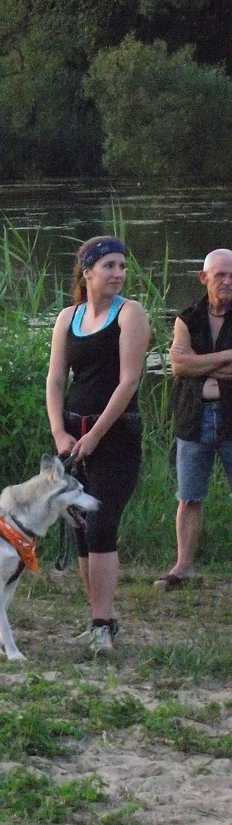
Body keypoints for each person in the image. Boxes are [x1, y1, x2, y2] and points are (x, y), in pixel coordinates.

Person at [46, 236, 152, 654]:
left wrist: (95, 436)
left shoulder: (132, 314)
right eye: (109, 266)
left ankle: (103, 625)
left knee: (103, 524)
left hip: (116, 436)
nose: (118, 274)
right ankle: (97, 620)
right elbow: (55, 380)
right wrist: (61, 433)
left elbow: (129, 382)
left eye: (122, 266)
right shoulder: (66, 317)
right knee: (82, 532)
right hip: (74, 436)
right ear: (86, 272)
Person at [154, 248, 232, 589]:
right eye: (221, 275)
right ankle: (183, 566)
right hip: (194, 417)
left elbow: (190, 364)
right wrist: (226, 358)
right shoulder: (187, 318)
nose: (228, 281)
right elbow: (180, 366)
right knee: (190, 496)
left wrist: (199, 361)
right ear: (204, 278)